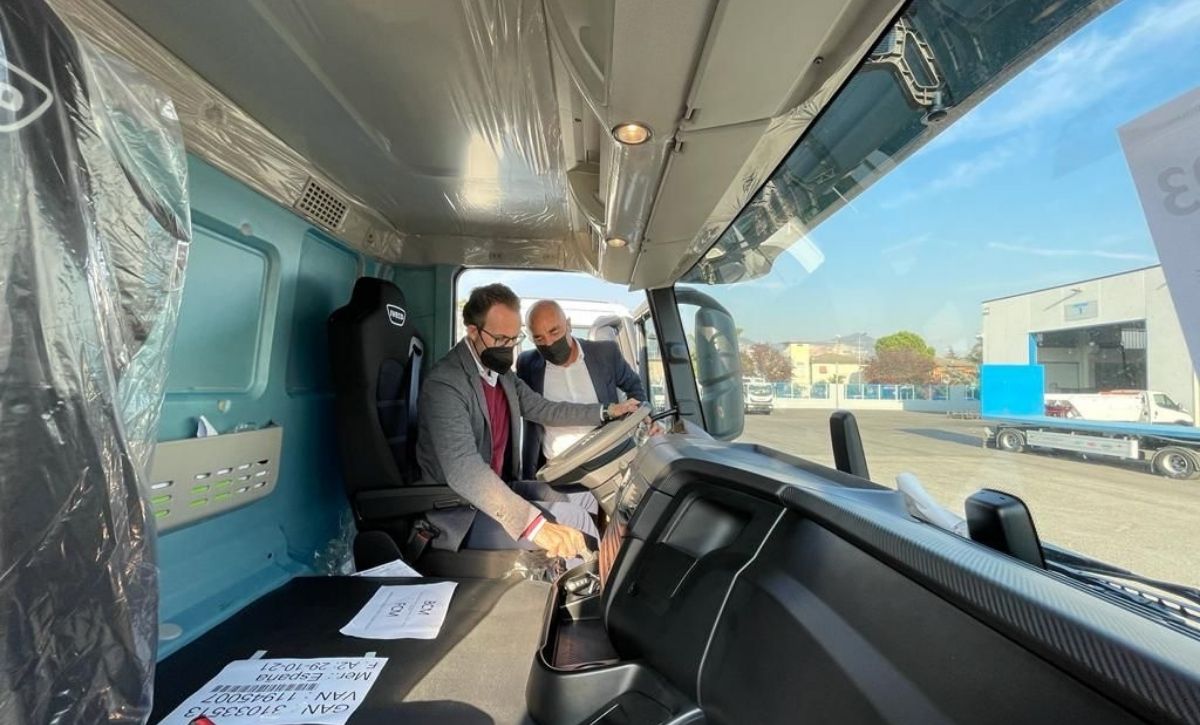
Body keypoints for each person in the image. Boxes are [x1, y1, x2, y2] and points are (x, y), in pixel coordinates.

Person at [416, 284, 641, 559]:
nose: (509, 348)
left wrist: (606, 411)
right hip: (459, 509)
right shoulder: (446, 383)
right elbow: (464, 469)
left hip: (501, 488)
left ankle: (582, 573)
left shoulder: (501, 375)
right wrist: (534, 526)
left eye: (514, 339)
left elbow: (545, 409)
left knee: (585, 498)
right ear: (473, 331)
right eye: (501, 339)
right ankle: (589, 584)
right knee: (575, 520)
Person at [517, 300, 647, 479]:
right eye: (539, 338)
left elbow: (635, 389)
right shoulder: (527, 364)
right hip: (557, 471)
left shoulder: (605, 353)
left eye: (554, 332)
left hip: (609, 463)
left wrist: (642, 419)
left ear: (568, 325)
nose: (549, 342)